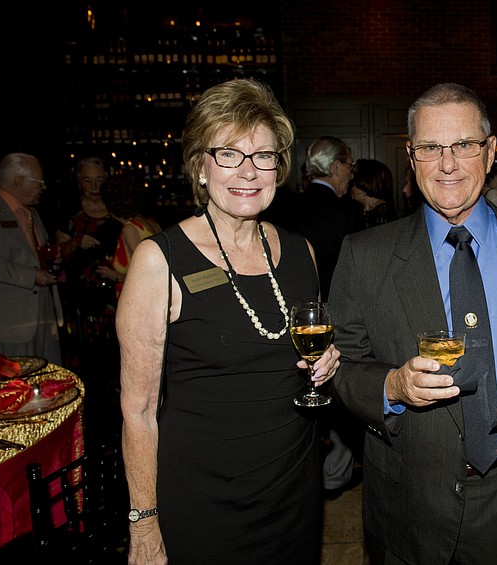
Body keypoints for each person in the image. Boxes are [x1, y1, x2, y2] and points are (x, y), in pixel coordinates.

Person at [328, 83, 497, 564]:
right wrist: (392, 386)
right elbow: (340, 366)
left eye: (464, 145)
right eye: (429, 148)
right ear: (411, 156)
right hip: (412, 504)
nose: (447, 163)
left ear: (489, 153)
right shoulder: (366, 255)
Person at [118, 78, 341, 564]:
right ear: (200, 165)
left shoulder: (300, 252)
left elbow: (303, 353)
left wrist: (327, 361)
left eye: (263, 156)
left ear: (279, 169)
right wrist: (144, 523)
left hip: (292, 489)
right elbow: (137, 412)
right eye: (229, 154)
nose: (249, 171)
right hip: (202, 498)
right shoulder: (160, 260)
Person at [0, 153, 62, 364]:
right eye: (40, 182)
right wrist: (31, 276)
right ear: (19, 181)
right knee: (14, 386)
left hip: (42, 317)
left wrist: (53, 258)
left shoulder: (31, 214)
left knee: (47, 383)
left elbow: (36, 254)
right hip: (11, 322)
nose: (43, 187)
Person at [54, 156, 122, 375]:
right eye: (87, 180)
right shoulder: (69, 211)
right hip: (80, 298)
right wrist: (76, 241)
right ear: (79, 182)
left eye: (99, 180)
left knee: (116, 360)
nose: (94, 187)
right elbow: (56, 255)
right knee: (84, 361)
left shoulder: (118, 209)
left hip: (116, 294)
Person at [297, 135, 363, 300]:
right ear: (336, 167)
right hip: (336, 308)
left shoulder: (284, 207)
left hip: (296, 305)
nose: (352, 175)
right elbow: (358, 273)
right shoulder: (348, 212)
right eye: (350, 166)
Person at [95, 174, 162, 300]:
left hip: (140, 298)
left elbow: (146, 271)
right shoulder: (151, 223)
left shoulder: (130, 229)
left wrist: (116, 276)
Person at [350, 158, 398, 229]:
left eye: (353, 183)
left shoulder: (383, 216)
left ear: (365, 186)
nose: (349, 186)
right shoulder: (360, 211)